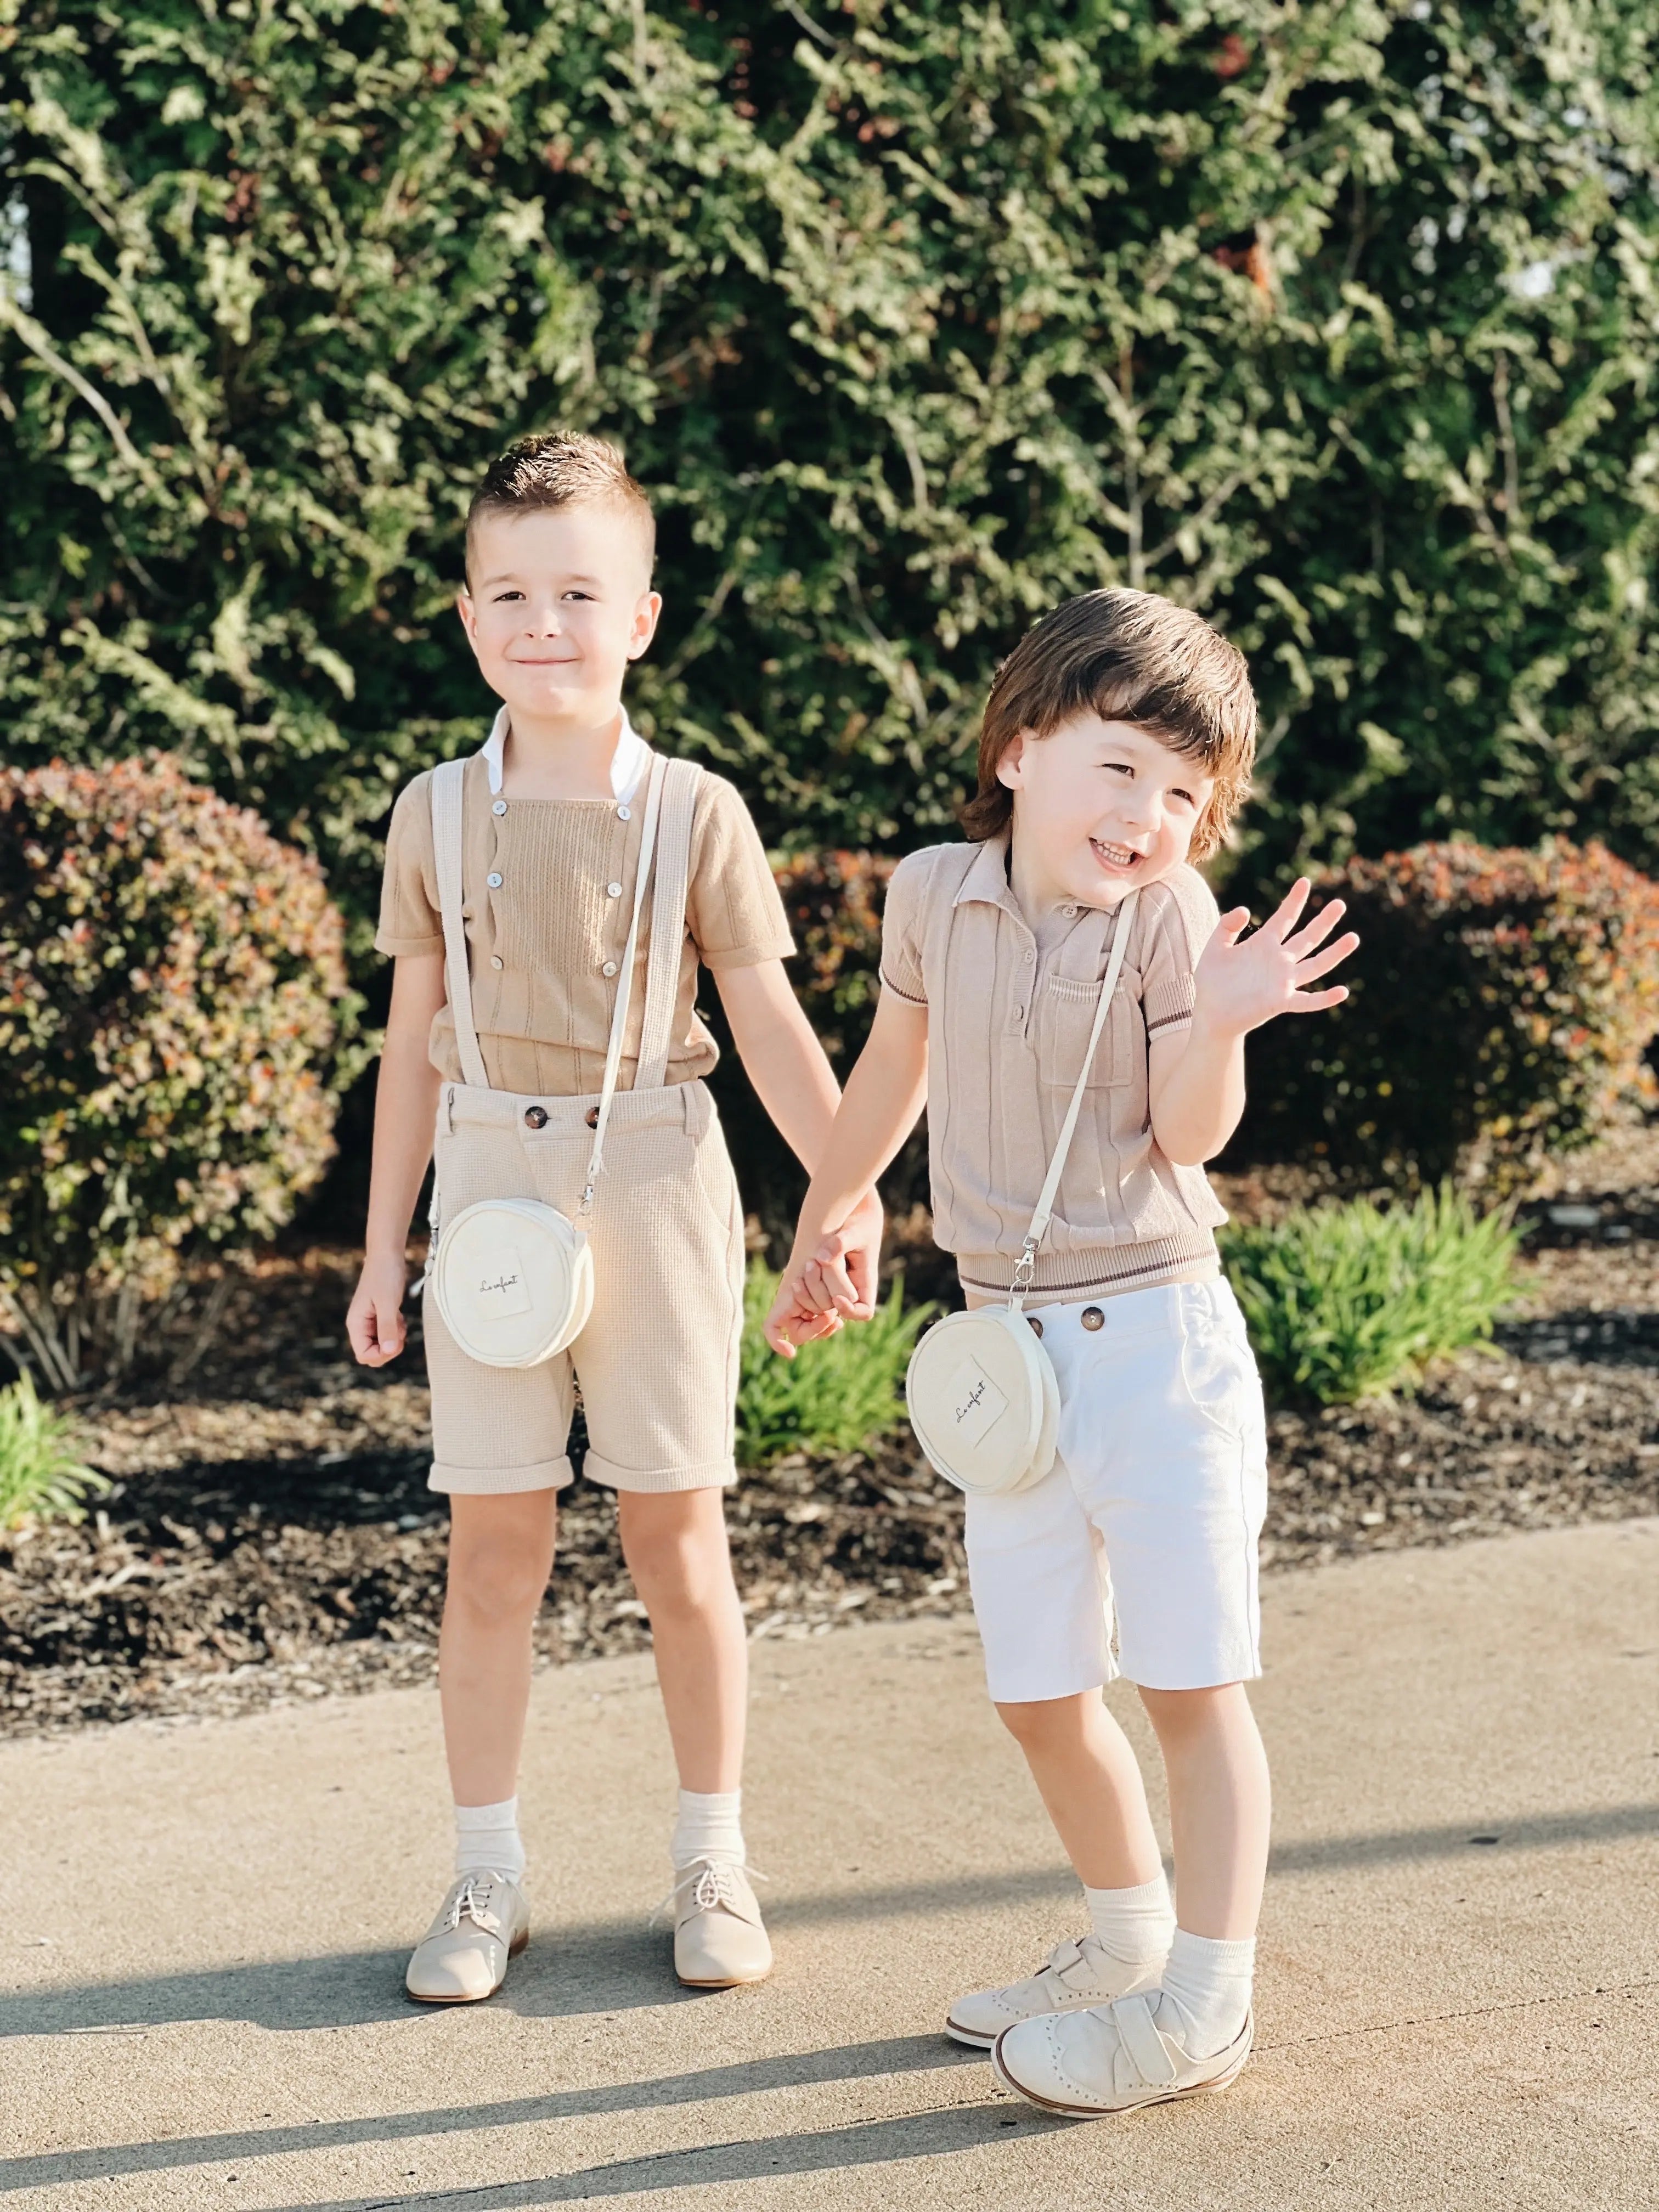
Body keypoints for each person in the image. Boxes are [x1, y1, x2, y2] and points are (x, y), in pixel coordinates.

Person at [763, 588, 1358, 2117]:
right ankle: (1125, 1939)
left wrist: (1222, 1022)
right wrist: (831, 1212)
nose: (1151, 815)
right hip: (1007, 1358)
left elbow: (1187, 1136)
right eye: (1122, 768)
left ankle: (1205, 2004)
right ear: (1021, 748)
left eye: (1186, 793)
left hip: (1157, 1346)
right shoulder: (930, 893)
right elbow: (893, 1065)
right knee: (1037, 1690)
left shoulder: (1172, 917)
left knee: (1191, 1686)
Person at [348, 431, 881, 2003]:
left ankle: (714, 1861)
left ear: (641, 617)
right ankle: (486, 1876)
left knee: (678, 1537)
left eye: (580, 593)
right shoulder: (433, 813)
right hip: (485, 1188)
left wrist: (845, 1195)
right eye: (511, 594)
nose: (545, 624)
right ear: (468, 616)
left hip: (654, 1175)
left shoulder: (697, 813)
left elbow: (771, 1025)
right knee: (492, 1547)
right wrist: (384, 1250)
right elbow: (409, 1040)